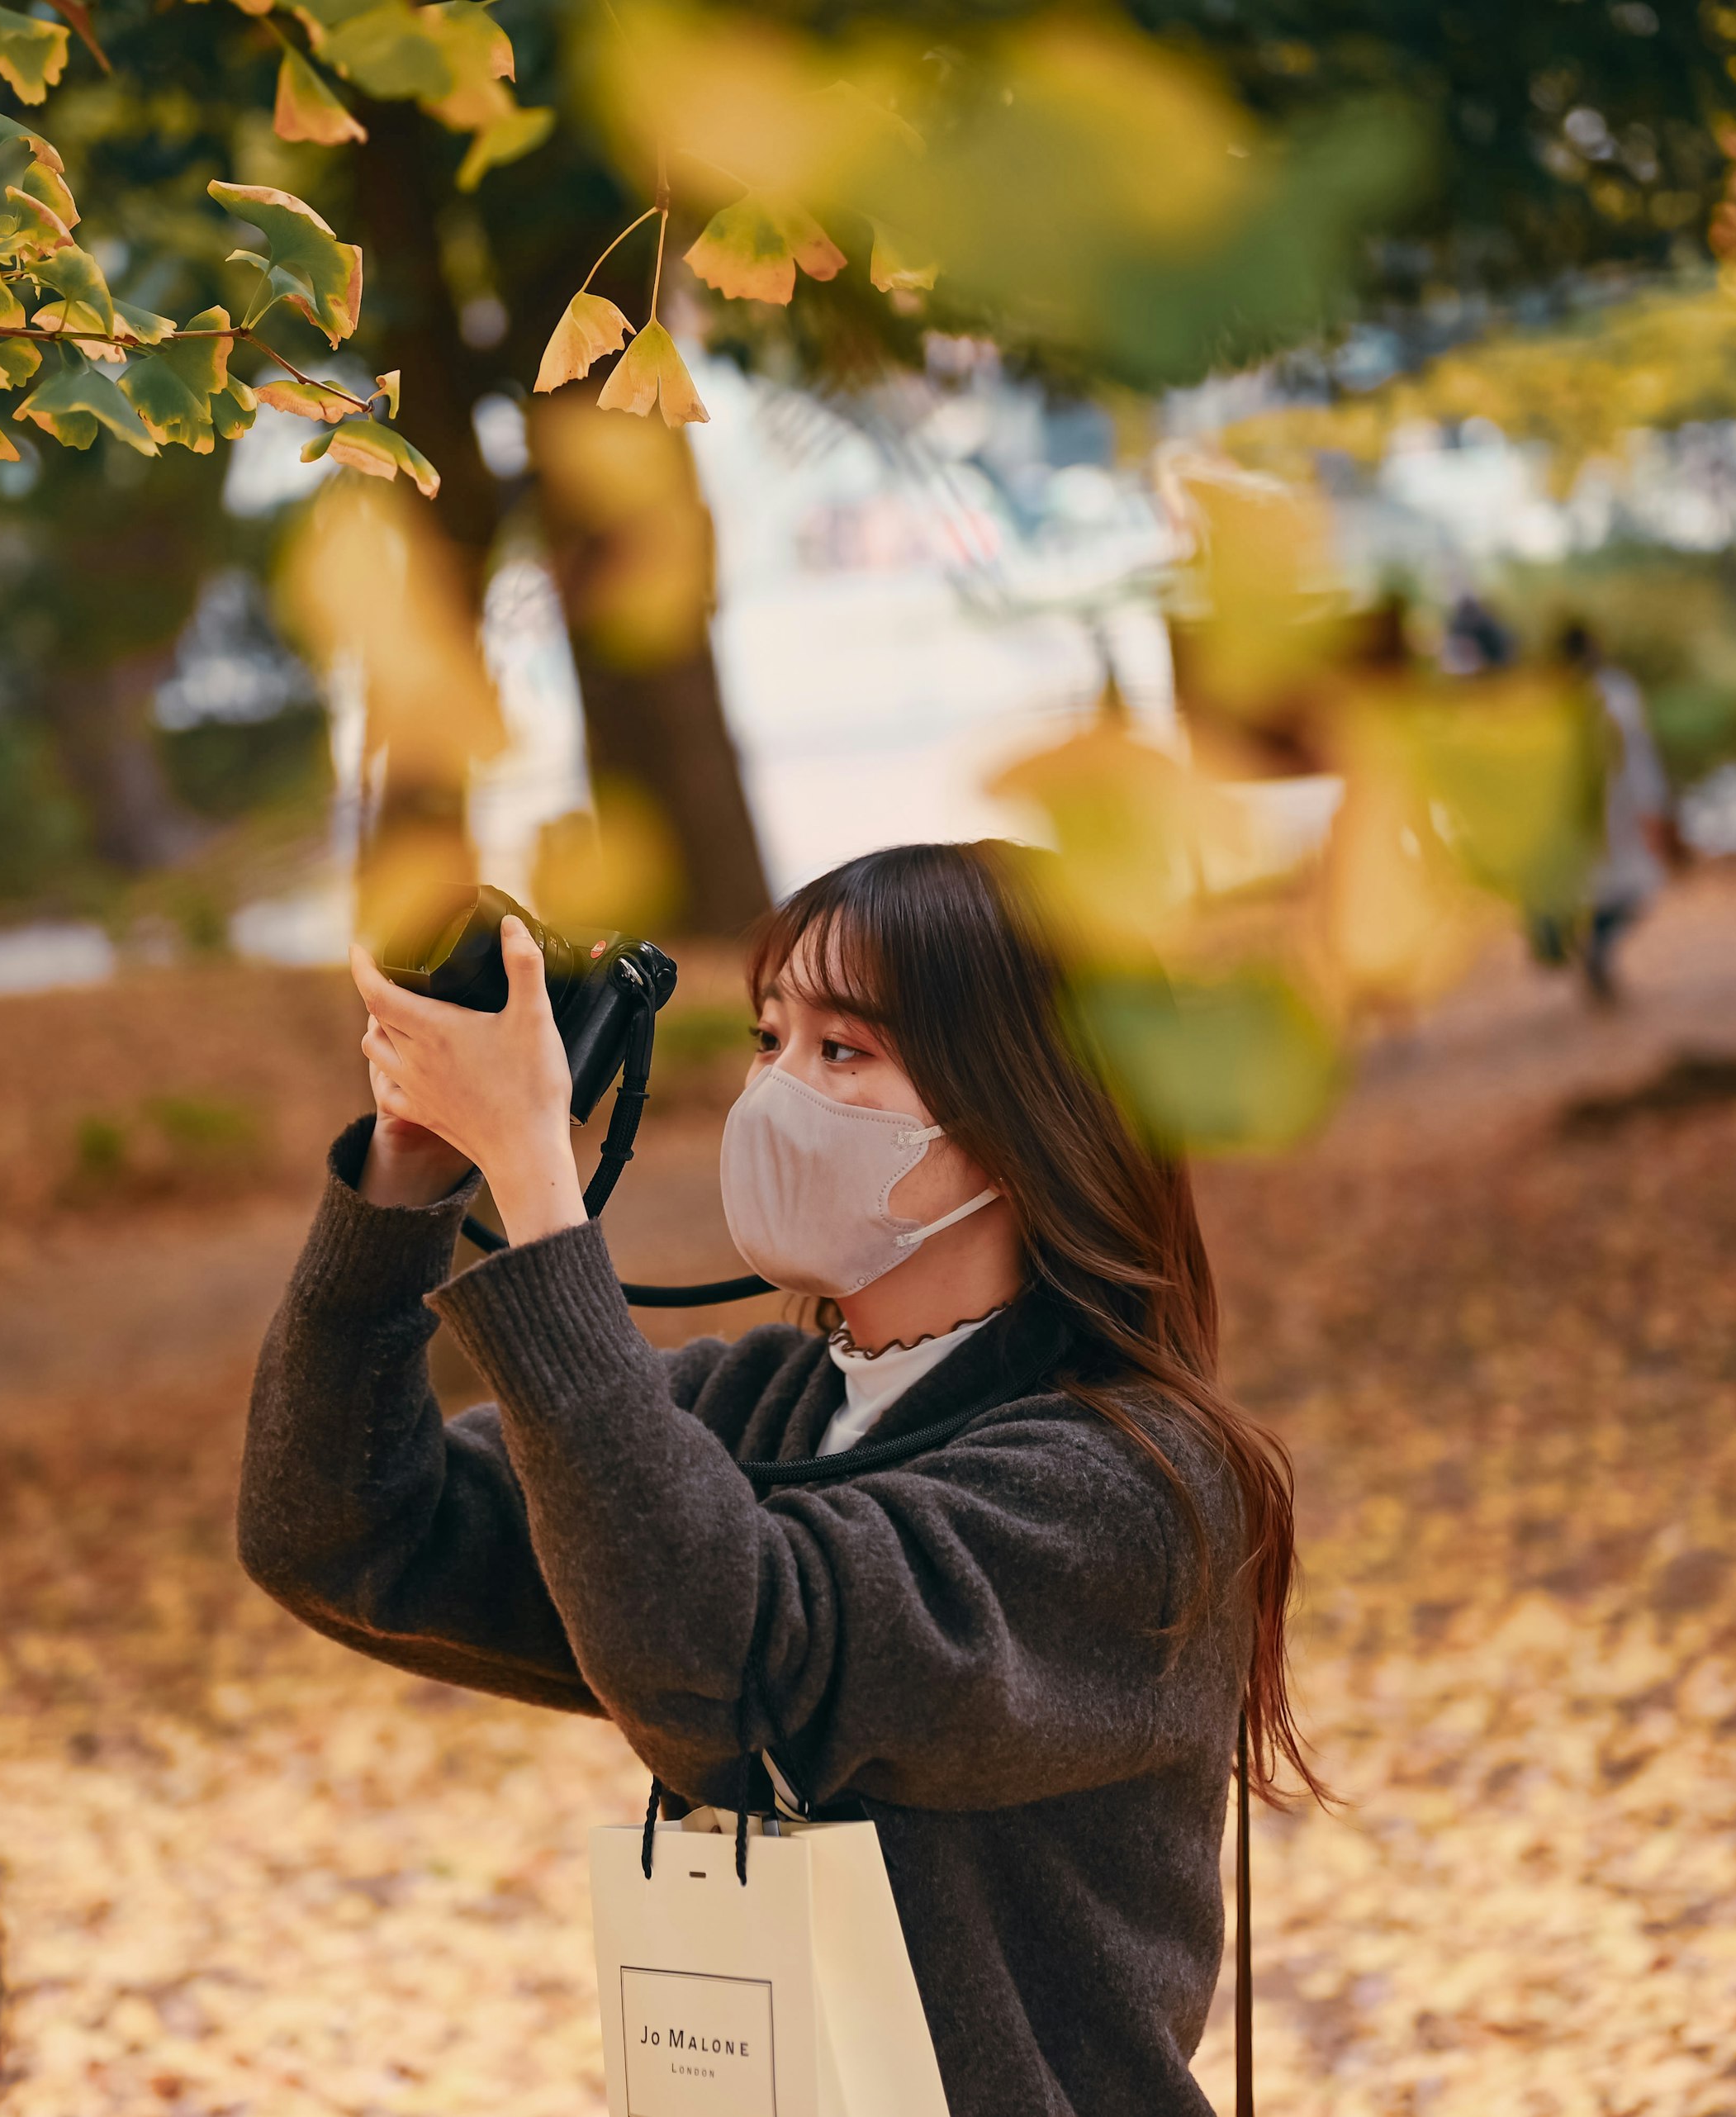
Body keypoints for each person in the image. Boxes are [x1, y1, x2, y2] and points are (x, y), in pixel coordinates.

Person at [241, 842, 1326, 2116]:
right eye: (768, 1037)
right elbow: (341, 1524)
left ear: (1027, 1110)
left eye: (843, 1050)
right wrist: (412, 1166)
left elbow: (729, 1658)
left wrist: (541, 1178)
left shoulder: (1134, 1484)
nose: (778, 1089)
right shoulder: (760, 1406)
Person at [1555, 619, 1673, 1004]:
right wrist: (1653, 805)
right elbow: (1639, 754)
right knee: (1634, 887)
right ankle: (1598, 952)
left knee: (1609, 887)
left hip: (1591, 812)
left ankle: (1596, 951)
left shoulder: (1561, 698)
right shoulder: (1616, 693)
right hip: (1612, 807)